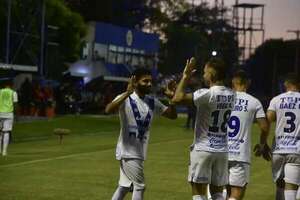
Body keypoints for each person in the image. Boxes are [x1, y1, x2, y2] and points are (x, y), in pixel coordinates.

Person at [105, 68, 177, 200]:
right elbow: (108, 109)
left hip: (139, 152)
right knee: (140, 186)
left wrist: (172, 99)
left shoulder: (151, 101)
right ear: (135, 81)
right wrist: (127, 93)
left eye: (150, 81)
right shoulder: (126, 98)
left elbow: (172, 116)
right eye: (145, 81)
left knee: (124, 187)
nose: (149, 84)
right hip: (128, 152)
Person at [172, 57, 235, 200]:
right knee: (218, 192)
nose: (203, 75)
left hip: (203, 148)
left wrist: (186, 76)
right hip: (222, 150)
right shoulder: (232, 94)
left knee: (198, 192)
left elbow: (177, 99)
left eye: (205, 72)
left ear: (212, 75)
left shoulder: (206, 93)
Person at [226, 70, 271, 200]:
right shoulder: (254, 102)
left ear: (233, 82)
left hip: (220, 150)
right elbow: (264, 126)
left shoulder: (224, 99)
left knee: (222, 190)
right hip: (240, 154)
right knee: (237, 191)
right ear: (248, 83)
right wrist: (263, 143)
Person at [267, 73, 300, 200]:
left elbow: (268, 120)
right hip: (296, 150)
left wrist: (263, 144)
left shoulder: (276, 99)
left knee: (280, 185)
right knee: (291, 187)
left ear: (286, 84)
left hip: (279, 150)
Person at [0, 79, 18, 156]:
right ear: (11, 85)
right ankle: (4, 151)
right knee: (6, 132)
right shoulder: (13, 93)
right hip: (9, 113)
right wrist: (16, 113)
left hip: (0, 112)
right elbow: (15, 104)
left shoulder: (0, 91)